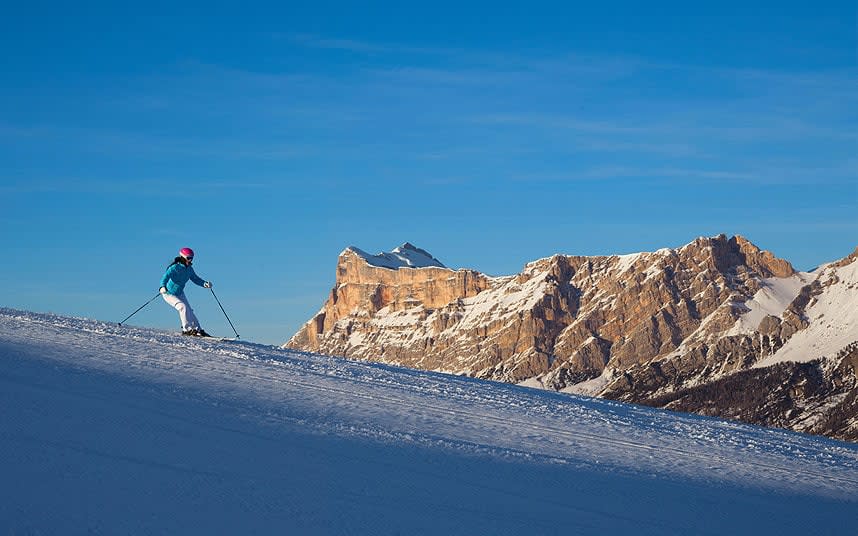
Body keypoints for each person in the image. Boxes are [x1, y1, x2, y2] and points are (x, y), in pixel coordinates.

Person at [160, 247, 213, 336]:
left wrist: (204, 284)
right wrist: (162, 287)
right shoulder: (174, 268)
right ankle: (186, 330)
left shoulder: (189, 269)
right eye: (188, 258)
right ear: (183, 257)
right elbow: (164, 278)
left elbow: (195, 279)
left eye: (192, 258)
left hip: (180, 293)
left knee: (189, 311)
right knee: (182, 307)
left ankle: (198, 330)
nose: (190, 260)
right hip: (168, 293)